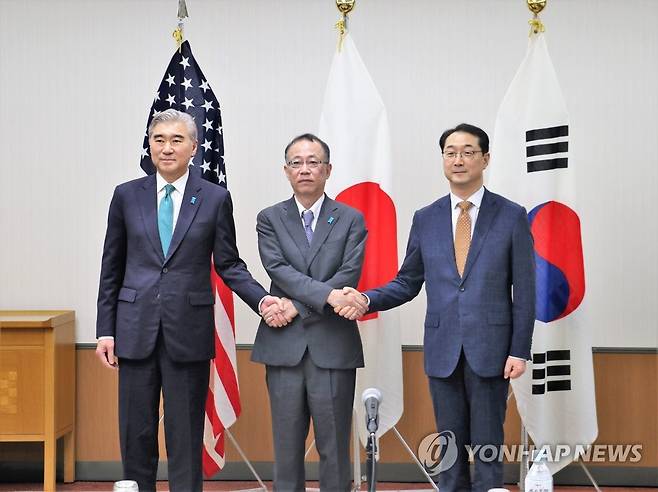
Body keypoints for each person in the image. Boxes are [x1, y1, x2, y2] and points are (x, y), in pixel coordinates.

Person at [95, 109, 286, 492]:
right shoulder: (126, 196)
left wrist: (263, 301)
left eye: (176, 140)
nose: (167, 148)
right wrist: (105, 331)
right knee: (136, 434)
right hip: (134, 331)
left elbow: (229, 264)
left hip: (189, 332)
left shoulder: (214, 198)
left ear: (194, 148)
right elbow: (111, 266)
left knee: (185, 436)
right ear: (149, 145)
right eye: (159, 139)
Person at [341, 123, 536, 491]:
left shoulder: (511, 215)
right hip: (442, 347)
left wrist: (519, 350)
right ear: (443, 160)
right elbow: (407, 281)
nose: (458, 160)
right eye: (450, 152)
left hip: (492, 350)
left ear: (485, 159)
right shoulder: (425, 218)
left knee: (488, 444)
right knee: (449, 446)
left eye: (467, 152)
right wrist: (367, 299)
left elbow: (525, 291)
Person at [252, 133, 368, 491]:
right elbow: (278, 270)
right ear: (286, 171)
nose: (305, 169)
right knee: (286, 448)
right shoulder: (269, 217)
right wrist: (326, 298)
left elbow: (347, 276)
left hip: (332, 346)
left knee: (334, 447)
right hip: (283, 346)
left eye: (313, 162)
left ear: (328, 169)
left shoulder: (350, 218)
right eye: (296, 162)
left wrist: (297, 305)